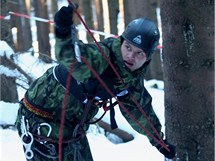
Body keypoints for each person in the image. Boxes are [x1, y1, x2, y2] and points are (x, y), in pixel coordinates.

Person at [15, 4, 176, 161]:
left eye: (139, 53)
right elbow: (71, 57)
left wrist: (159, 143)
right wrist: (63, 32)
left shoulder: (131, 80)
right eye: (128, 47)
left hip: (73, 128)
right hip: (40, 121)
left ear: (148, 58)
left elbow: (141, 113)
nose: (130, 56)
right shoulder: (101, 57)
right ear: (121, 42)